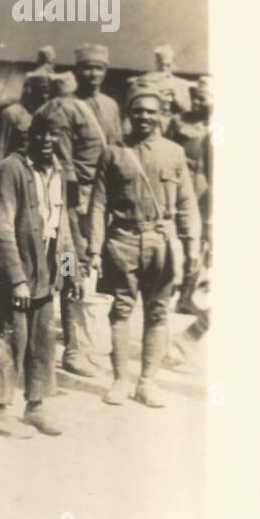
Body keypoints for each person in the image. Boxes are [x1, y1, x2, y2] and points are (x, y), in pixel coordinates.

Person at [85, 85, 200, 409]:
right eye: (138, 111)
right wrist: (93, 250)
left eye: (151, 111)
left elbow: (187, 202)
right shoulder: (113, 152)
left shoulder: (174, 152)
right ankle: (121, 380)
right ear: (129, 114)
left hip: (160, 242)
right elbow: (97, 205)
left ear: (161, 115)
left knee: (158, 312)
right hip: (122, 240)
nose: (145, 117)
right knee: (121, 310)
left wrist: (191, 246)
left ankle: (147, 382)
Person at [0, 112, 80, 438]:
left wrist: (69, 273)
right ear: (29, 135)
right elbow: (1, 228)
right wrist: (17, 278)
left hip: (46, 270)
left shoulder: (59, 173)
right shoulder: (9, 170)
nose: (47, 140)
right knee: (9, 335)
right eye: (41, 133)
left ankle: (36, 405)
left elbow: (62, 228)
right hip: (18, 270)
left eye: (55, 134)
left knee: (42, 340)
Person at [37, 43, 123, 377]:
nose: (93, 74)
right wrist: (73, 207)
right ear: (78, 71)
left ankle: (88, 344)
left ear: (105, 71)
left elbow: (116, 149)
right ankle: (74, 348)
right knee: (72, 264)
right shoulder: (65, 108)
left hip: (104, 198)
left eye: (99, 68)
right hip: (76, 199)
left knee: (96, 267)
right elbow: (62, 158)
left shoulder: (111, 106)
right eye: (87, 68)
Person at [167, 76, 212, 315]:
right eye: (198, 97)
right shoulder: (179, 122)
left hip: (209, 195)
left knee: (203, 243)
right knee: (182, 240)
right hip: (183, 191)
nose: (200, 102)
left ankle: (187, 295)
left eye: (205, 98)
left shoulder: (220, 125)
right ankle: (166, 290)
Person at [0, 72, 52, 175]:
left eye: (48, 92)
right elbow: (0, 147)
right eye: (42, 90)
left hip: (37, 173)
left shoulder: (49, 116)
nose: (45, 96)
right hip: (14, 170)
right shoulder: (12, 113)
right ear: (31, 90)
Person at [150, 44, 192, 118]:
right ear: (156, 64)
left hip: (173, 120)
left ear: (172, 65)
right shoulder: (149, 81)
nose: (164, 69)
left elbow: (187, 109)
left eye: (167, 65)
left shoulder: (180, 83)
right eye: (161, 65)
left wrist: (175, 94)